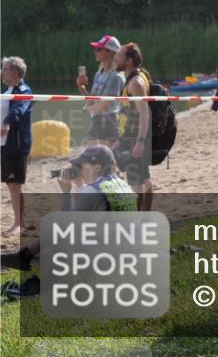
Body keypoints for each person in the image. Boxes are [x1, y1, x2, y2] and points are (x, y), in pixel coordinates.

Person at [0, 145, 135, 299]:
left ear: (97, 167)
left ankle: (36, 282)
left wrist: (66, 193)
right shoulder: (123, 185)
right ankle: (25, 257)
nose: (80, 170)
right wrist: (80, 186)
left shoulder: (93, 191)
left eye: (82, 166)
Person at [114, 43, 153, 211]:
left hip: (136, 136)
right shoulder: (136, 76)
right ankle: (146, 212)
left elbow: (144, 113)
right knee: (143, 178)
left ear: (129, 61)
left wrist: (140, 141)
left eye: (119, 56)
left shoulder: (135, 82)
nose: (116, 58)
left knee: (135, 181)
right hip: (130, 135)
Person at [76, 34, 125, 148]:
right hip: (97, 120)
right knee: (92, 157)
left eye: (98, 49)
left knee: (106, 160)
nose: (95, 51)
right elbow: (92, 101)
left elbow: (103, 105)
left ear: (109, 52)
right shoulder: (99, 74)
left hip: (109, 122)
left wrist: (86, 111)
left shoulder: (116, 76)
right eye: (95, 49)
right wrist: (81, 87)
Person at [1, 57, 32, 236]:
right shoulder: (7, 90)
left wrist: (7, 122)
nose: (2, 72)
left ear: (16, 72)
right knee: (10, 184)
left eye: (5, 69)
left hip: (17, 144)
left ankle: (19, 223)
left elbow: (18, 109)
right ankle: (18, 221)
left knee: (15, 184)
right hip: (5, 144)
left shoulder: (24, 90)